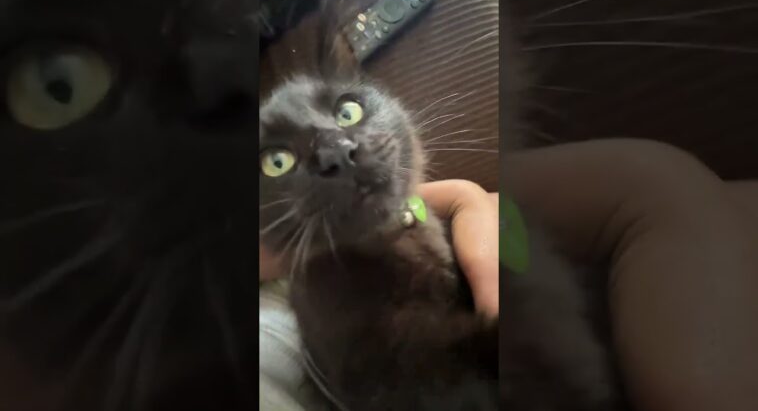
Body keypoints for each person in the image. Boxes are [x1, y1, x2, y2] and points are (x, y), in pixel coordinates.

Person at [260, 138, 758, 411]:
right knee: (669, 188)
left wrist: (492, 279)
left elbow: (462, 196)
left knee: (715, 198)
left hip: (500, 247)